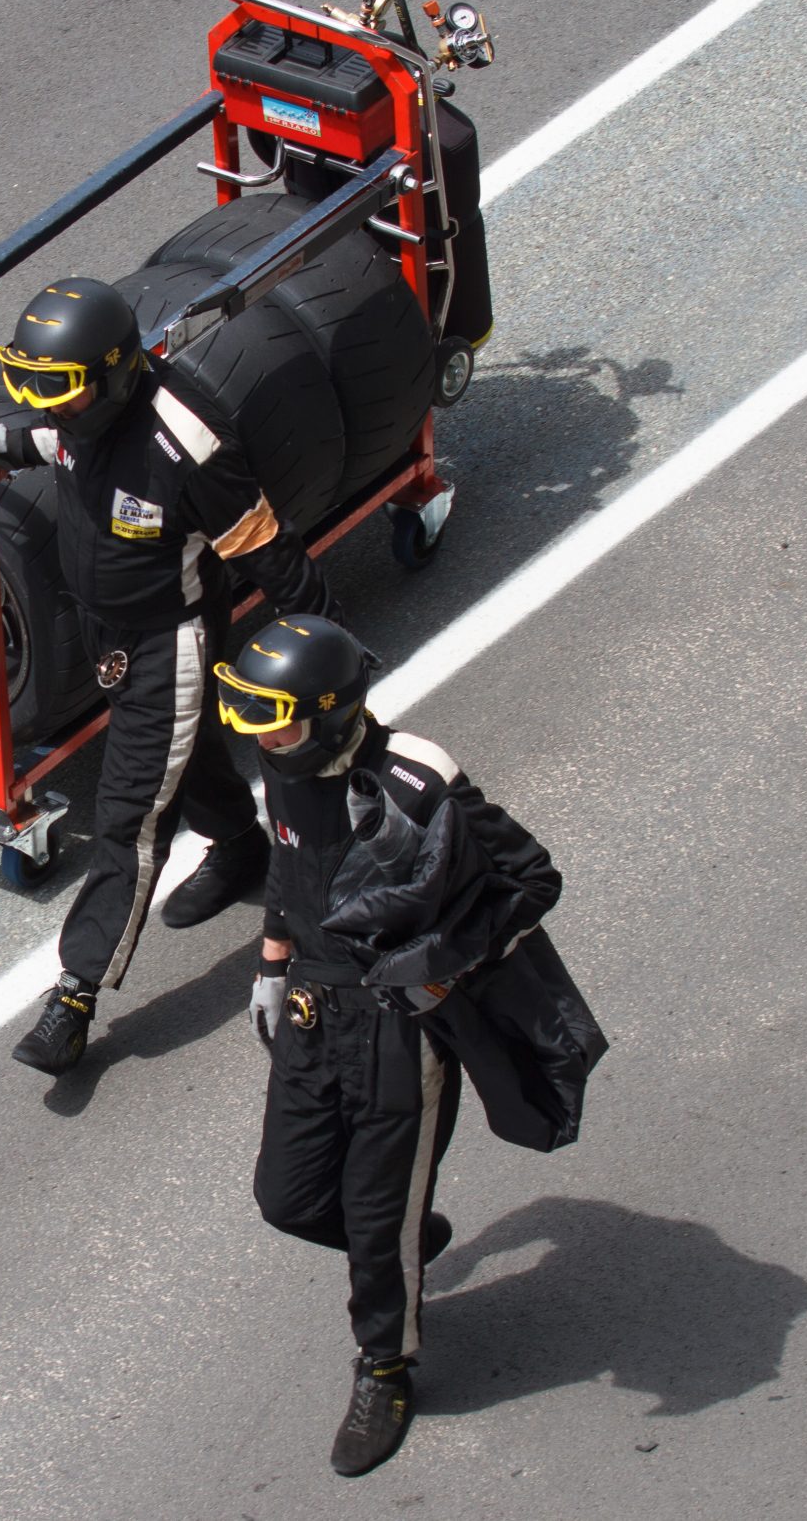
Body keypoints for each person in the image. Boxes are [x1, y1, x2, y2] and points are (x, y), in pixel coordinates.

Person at [0, 278, 334, 1073]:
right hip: (107, 630)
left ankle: (74, 994)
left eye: (57, 388)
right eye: (31, 386)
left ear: (117, 374)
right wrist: (8, 442)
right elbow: (64, 446)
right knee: (181, 757)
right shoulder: (75, 416)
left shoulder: (186, 442)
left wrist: (327, 645)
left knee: (129, 813)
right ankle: (239, 845)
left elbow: (267, 549)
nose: (45, 404)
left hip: (172, 641)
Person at [218, 613, 565, 1477]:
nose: (269, 740)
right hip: (309, 1008)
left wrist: (442, 966)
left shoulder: (417, 780)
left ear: (335, 711)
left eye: (284, 721)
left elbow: (533, 878)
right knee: (287, 1197)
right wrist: (270, 962)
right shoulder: (278, 754)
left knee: (374, 1225)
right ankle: (411, 1238)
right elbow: (291, 867)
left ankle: (386, 1366)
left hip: (397, 1030)